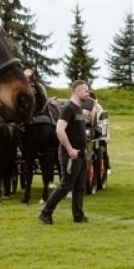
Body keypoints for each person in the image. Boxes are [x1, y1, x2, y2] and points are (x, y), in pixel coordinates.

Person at [39, 80, 91, 225]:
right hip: (70, 155)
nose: (88, 93)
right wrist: (69, 149)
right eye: (86, 91)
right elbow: (59, 129)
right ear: (77, 91)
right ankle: (45, 213)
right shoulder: (68, 108)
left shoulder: (79, 109)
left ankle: (78, 216)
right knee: (66, 185)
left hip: (80, 154)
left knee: (80, 186)